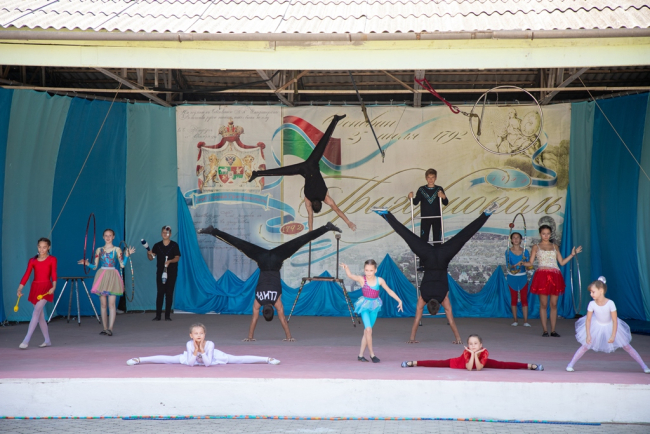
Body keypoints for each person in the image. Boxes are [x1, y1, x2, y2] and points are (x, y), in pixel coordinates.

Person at [373, 202, 499, 345]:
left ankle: (486, 214)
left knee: (464, 236)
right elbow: (417, 319)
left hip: (444, 257)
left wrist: (458, 339)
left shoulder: (444, 299)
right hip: (427, 256)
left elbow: (451, 320)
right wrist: (411, 338)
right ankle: (385, 213)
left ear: (439, 306)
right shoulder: (423, 298)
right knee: (406, 235)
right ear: (428, 305)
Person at [198, 222, 341, 341]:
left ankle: (327, 227)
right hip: (262, 258)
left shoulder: (276, 301)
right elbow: (254, 320)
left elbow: (283, 320)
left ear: (272, 309)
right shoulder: (258, 301)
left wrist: (289, 337)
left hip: (277, 258)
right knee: (239, 244)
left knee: (300, 241)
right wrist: (249, 337)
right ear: (263, 310)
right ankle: (213, 231)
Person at [248, 115, 356, 232]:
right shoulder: (308, 200)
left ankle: (335, 120)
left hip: (312, 163)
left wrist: (349, 222)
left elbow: (336, 210)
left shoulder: (325, 197)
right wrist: (310, 231)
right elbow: (310, 216)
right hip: (303, 169)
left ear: (322, 202)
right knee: (280, 171)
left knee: (324, 142)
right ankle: (257, 173)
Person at [566, 277, 650, 373]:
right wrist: (588, 334)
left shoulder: (610, 303)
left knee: (627, 346)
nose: (591, 294)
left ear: (601, 291)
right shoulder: (592, 304)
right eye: (590, 292)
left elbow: (614, 320)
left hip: (611, 326)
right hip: (596, 326)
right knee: (585, 346)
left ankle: (644, 366)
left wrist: (613, 335)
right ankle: (570, 364)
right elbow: (588, 320)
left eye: (593, 292)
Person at [519, 225, 581, 337]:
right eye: (544, 233)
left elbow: (561, 262)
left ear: (550, 234)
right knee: (543, 304)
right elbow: (531, 262)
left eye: (548, 233)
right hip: (542, 276)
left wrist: (572, 254)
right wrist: (522, 263)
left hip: (555, 275)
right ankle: (545, 330)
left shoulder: (555, 246)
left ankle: (553, 330)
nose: (546, 236)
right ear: (540, 234)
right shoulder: (536, 247)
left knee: (554, 304)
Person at [126, 323, 280, 366]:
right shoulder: (189, 344)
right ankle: (139, 359)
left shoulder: (210, 344)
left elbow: (207, 364)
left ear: (204, 335)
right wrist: (195, 351)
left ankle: (267, 359)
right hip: (192, 357)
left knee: (238, 359)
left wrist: (202, 350)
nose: (198, 336)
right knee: (168, 359)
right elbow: (191, 364)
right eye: (196, 333)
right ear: (191, 335)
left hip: (213, 358)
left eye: (201, 333)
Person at [340, 259, 403, 363]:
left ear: (375, 270)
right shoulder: (362, 279)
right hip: (364, 306)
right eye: (366, 270)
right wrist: (347, 268)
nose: (368, 273)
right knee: (369, 330)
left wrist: (399, 300)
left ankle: (360, 355)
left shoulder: (380, 280)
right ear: (364, 270)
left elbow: (389, 291)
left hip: (375, 307)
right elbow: (350, 276)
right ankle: (372, 354)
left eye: (371, 270)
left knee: (367, 332)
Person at [78, 229, 135, 336]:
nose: (108, 237)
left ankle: (110, 328)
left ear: (113, 237)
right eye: (106, 235)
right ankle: (105, 328)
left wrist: (126, 255)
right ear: (103, 237)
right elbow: (95, 266)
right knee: (103, 304)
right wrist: (87, 263)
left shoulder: (117, 249)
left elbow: (122, 265)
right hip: (102, 276)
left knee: (111, 304)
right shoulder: (99, 250)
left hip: (113, 276)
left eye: (110, 235)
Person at [401, 334, 543, 371]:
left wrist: (476, 354)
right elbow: (469, 368)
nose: (473, 346)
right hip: (460, 363)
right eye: (471, 344)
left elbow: (479, 368)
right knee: (438, 363)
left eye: (475, 344)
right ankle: (413, 362)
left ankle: (530, 366)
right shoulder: (466, 352)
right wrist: (473, 354)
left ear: (481, 345)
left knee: (503, 364)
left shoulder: (484, 352)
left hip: (480, 362)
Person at [17, 238, 57, 349]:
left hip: (46, 288)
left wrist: (54, 286)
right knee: (40, 316)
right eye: (40, 247)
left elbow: (53, 273)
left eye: (44, 247)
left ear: (48, 247)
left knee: (36, 312)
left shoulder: (52, 259)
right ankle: (47, 340)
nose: (41, 249)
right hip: (35, 288)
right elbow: (26, 275)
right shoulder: (32, 261)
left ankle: (26, 340)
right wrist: (19, 289)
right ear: (37, 247)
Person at [147, 226, 181, 321]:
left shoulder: (174, 245)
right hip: (160, 272)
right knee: (160, 293)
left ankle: (167, 316)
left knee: (169, 293)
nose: (165, 234)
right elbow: (151, 258)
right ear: (161, 233)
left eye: (167, 233)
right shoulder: (157, 245)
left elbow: (177, 257)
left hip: (172, 272)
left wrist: (170, 261)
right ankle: (158, 315)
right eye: (163, 232)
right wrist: (149, 253)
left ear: (170, 234)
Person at [408, 168, 448, 243]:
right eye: (429, 177)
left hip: (437, 217)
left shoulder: (439, 189)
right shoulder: (421, 189)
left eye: (432, 177)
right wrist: (410, 198)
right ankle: (423, 251)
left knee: (437, 239)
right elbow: (415, 202)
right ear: (426, 178)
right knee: (424, 240)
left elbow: (446, 203)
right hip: (425, 218)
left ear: (435, 178)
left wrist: (443, 196)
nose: (431, 179)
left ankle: (437, 251)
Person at [506, 232, 531, 327]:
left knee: (524, 298)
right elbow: (508, 266)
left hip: (522, 277)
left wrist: (525, 264)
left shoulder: (525, 251)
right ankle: (515, 320)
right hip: (512, 277)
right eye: (514, 237)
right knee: (514, 298)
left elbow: (529, 266)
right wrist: (514, 267)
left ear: (521, 240)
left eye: (517, 237)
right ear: (511, 240)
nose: (516, 239)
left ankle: (525, 321)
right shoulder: (508, 252)